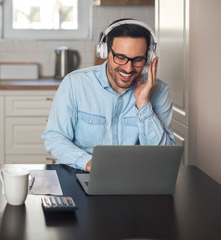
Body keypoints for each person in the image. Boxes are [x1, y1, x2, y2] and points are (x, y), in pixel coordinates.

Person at [42, 19, 176, 172]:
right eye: (120, 57)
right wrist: (89, 163)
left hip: (137, 178)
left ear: (149, 58)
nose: (128, 68)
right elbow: (55, 137)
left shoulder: (159, 91)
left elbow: (165, 157)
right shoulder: (75, 83)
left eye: (138, 60)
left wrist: (144, 105)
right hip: (83, 173)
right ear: (105, 52)